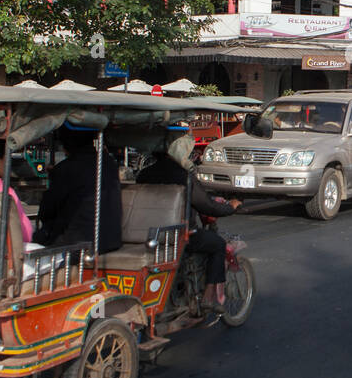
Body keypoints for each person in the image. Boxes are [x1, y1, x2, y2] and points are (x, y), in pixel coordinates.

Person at [139, 130, 240, 316]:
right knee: (218, 244)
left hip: (147, 235)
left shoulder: (144, 174)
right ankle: (208, 297)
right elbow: (207, 206)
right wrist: (231, 207)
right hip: (178, 237)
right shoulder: (183, 176)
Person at [33, 126, 121, 252]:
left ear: (66, 144)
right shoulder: (110, 163)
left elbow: (46, 211)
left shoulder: (65, 169)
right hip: (110, 241)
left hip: (77, 244)